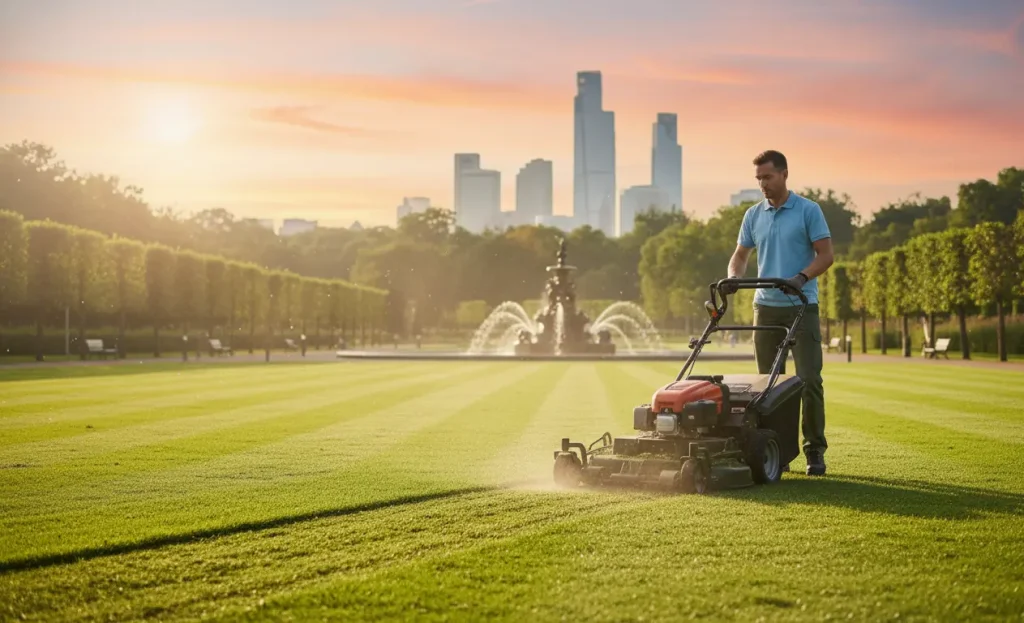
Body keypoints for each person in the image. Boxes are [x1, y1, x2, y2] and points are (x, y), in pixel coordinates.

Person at [723, 150, 833, 476]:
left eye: (768, 177)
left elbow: (825, 256)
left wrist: (801, 278)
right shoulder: (753, 215)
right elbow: (740, 255)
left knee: (809, 380)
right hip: (765, 308)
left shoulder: (808, 211)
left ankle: (815, 451)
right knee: (769, 384)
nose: (763, 185)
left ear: (784, 174)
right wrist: (733, 277)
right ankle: (776, 451)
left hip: (802, 306)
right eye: (758, 179)